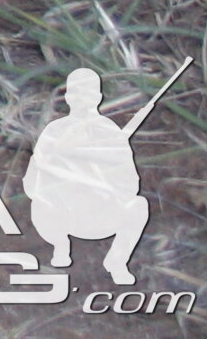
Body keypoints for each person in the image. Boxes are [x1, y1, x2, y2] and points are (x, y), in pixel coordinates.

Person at [25, 66, 156, 285]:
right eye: (75, 91)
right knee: (40, 204)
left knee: (139, 206)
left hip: (100, 213)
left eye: (87, 91)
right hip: (62, 212)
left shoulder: (110, 132)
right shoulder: (55, 130)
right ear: (67, 96)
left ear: (98, 96)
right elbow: (35, 174)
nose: (80, 98)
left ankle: (117, 261)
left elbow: (130, 181)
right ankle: (60, 247)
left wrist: (105, 186)